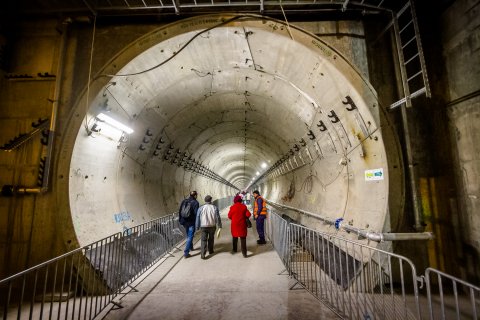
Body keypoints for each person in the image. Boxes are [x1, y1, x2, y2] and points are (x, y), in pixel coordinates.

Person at [195, 195, 222, 259]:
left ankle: (203, 254)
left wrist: (197, 227)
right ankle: (210, 250)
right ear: (211, 200)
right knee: (211, 239)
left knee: (203, 240)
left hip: (203, 226)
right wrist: (219, 225)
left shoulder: (201, 208)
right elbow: (218, 217)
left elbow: (198, 217)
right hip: (212, 226)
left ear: (205, 200)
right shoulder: (215, 207)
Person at [178, 191, 199, 258]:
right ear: (195, 196)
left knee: (188, 235)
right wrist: (197, 223)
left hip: (184, 222)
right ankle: (186, 253)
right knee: (190, 236)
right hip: (191, 222)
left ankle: (191, 247)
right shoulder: (196, 202)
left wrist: (180, 220)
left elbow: (180, 211)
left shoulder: (184, 201)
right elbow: (196, 214)